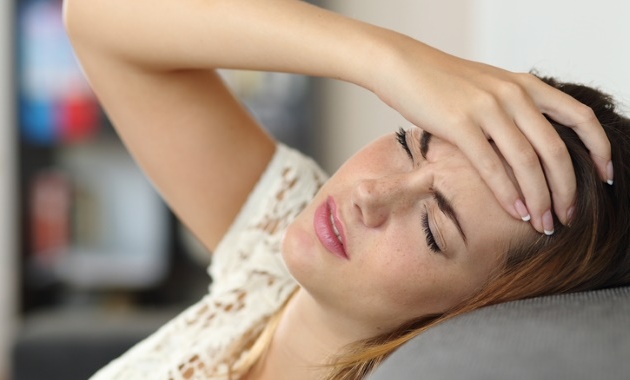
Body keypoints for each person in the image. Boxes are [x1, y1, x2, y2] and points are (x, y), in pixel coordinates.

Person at [62, 0, 627, 379]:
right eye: (410, 144)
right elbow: (94, 15)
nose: (370, 196)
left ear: (482, 307)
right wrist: (387, 60)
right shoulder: (271, 258)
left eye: (433, 229)